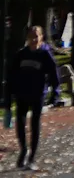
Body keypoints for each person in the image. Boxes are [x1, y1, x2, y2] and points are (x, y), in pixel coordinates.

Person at [8, 26, 59, 170]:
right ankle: (23, 150)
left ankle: (32, 158)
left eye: (37, 36)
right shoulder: (21, 54)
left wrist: (55, 92)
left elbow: (54, 74)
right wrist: (9, 94)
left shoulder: (45, 54)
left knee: (35, 124)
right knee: (20, 123)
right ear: (27, 38)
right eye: (31, 37)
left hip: (38, 93)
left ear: (42, 37)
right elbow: (12, 75)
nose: (34, 39)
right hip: (22, 93)